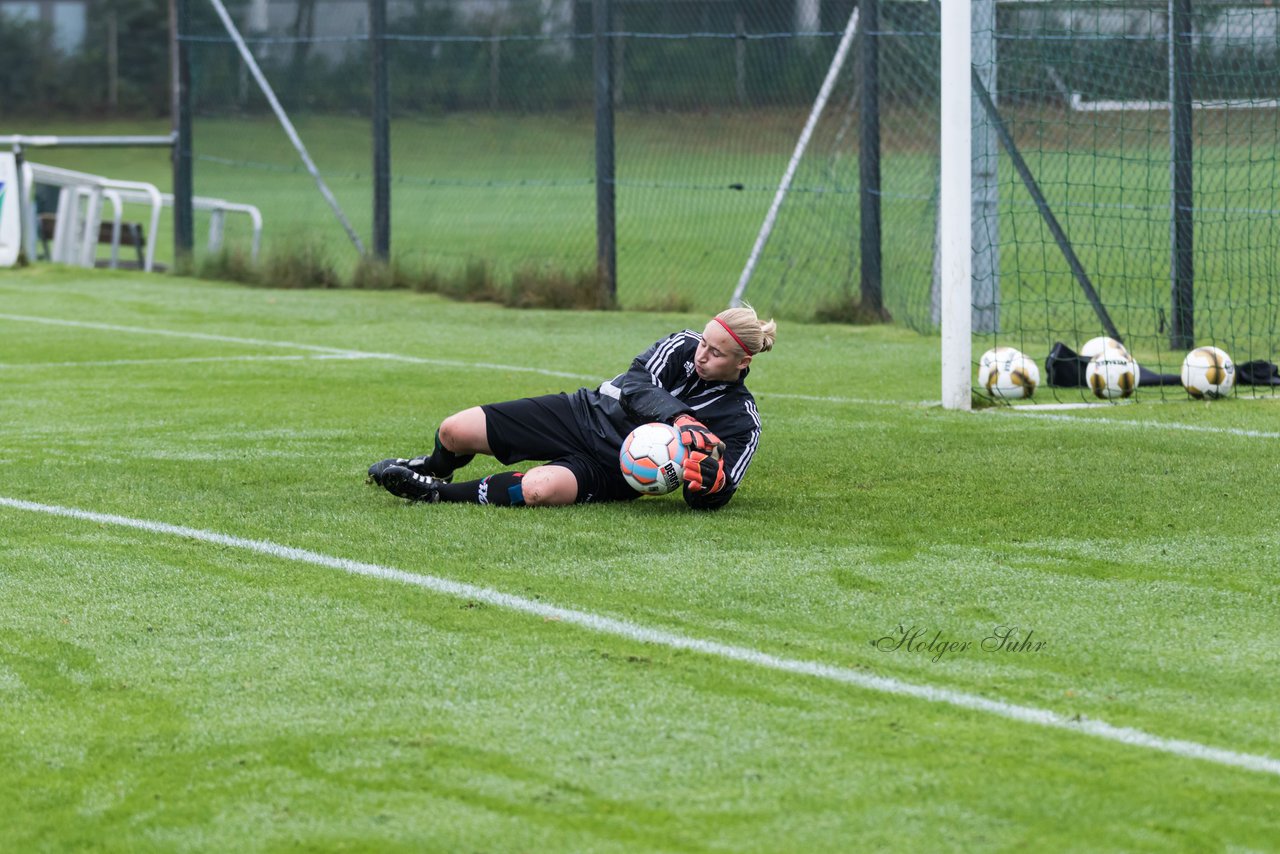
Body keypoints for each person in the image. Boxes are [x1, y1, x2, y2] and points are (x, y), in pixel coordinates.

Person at [367, 305, 776, 511]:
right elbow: (634, 384)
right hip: (583, 414)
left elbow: (719, 489)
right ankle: (436, 465)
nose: (702, 355)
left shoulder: (741, 421)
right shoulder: (682, 345)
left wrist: (709, 487)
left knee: (537, 490)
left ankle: (437, 493)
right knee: (454, 430)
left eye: (716, 353)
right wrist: (681, 419)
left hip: (615, 470)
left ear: (743, 364)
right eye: (704, 343)